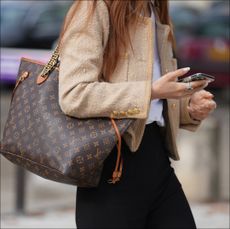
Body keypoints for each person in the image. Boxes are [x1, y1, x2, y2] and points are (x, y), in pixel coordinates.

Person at [58, 1, 216, 228]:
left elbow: (153, 99)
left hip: (156, 159)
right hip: (112, 164)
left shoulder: (154, 8)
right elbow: (74, 94)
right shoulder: (95, 7)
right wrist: (150, 91)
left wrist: (187, 106)